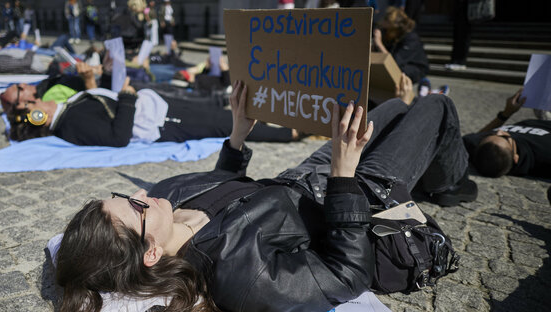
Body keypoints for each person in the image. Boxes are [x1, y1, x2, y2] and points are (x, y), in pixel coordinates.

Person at [53, 78, 476, 311]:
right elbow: (348, 275)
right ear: (149, 253)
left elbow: (221, 188)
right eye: (135, 207)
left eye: (124, 195)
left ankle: (434, 157)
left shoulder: (167, 196)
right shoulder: (242, 279)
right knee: (433, 105)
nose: (140, 194)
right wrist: (345, 173)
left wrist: (237, 136)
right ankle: (448, 180)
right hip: (360, 196)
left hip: (303, 176)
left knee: (390, 109)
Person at [0, 66, 299, 146]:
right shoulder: (70, 124)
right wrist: (128, 97)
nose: (37, 98)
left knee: (222, 115)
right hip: (162, 123)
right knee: (226, 124)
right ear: (40, 116)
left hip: (159, 110)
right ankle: (291, 134)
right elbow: (118, 138)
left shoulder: (66, 113)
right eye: (34, 105)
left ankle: (287, 125)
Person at [463, 88, 551, 178]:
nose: (500, 131)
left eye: (490, 134)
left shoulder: (475, 146)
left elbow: (475, 138)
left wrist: (506, 113)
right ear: (515, 158)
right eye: (504, 137)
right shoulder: (544, 153)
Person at [372, 6, 428, 84]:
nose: (383, 28)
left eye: (387, 29)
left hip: (414, 68)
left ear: (394, 27)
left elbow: (394, 64)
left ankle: (424, 85)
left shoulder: (411, 39)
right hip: (399, 64)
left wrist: (379, 44)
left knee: (397, 72)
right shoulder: (390, 34)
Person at [445, 0, 470, 71]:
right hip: (459, 6)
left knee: (464, 34)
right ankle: (455, 60)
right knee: (457, 34)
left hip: (467, 7)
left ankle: (461, 61)